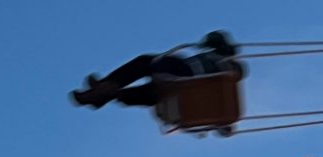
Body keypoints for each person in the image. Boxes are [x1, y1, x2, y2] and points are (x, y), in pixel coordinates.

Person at [69, 32, 244, 110]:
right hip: (179, 86)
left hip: (188, 80)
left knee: (151, 65)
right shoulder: (212, 57)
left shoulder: (227, 68)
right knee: (154, 90)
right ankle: (103, 91)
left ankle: (104, 92)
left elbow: (231, 79)